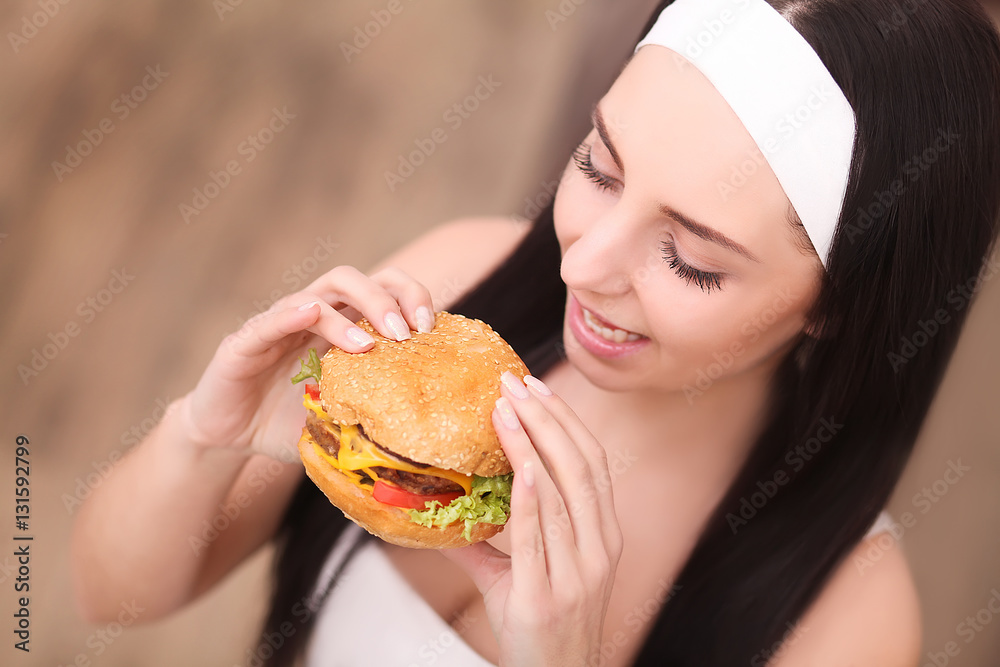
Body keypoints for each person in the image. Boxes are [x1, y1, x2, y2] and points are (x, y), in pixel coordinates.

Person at [70, 0, 1000, 664]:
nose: (582, 266)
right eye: (599, 167)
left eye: (691, 259)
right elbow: (108, 596)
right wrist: (207, 435)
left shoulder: (850, 617)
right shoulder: (455, 285)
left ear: (842, 301)